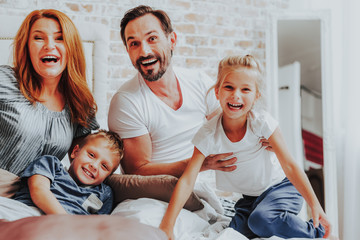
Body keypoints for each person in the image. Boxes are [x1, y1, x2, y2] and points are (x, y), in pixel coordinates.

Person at [159, 55, 333, 239]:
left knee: (262, 220)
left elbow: (290, 165)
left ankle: (317, 234)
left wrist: (315, 206)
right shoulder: (208, 134)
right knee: (232, 233)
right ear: (217, 92)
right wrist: (166, 226)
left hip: (281, 188)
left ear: (256, 96)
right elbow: (187, 180)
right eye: (229, 87)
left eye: (245, 89)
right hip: (250, 199)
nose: (236, 95)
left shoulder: (262, 123)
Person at [108, 5, 238, 178]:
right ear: (128, 51)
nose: (144, 51)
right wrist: (200, 163)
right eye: (134, 44)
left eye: (152, 38)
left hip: (202, 192)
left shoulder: (200, 82)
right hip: (153, 196)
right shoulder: (126, 101)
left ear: (172, 40)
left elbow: (229, 129)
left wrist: (262, 135)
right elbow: (137, 171)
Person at [0, 9, 99, 177]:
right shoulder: (5, 80)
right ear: (27, 47)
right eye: (38, 38)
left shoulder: (79, 102)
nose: (49, 45)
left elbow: (81, 164)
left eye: (60, 38)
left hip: (37, 196)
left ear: (71, 48)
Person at [0, 130, 124, 220]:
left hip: (64, 231)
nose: (94, 166)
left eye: (104, 166)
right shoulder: (50, 164)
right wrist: (65, 221)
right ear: (75, 152)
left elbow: (97, 225)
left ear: (108, 175)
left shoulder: (105, 193)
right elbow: (39, 191)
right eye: (91, 155)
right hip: (26, 212)